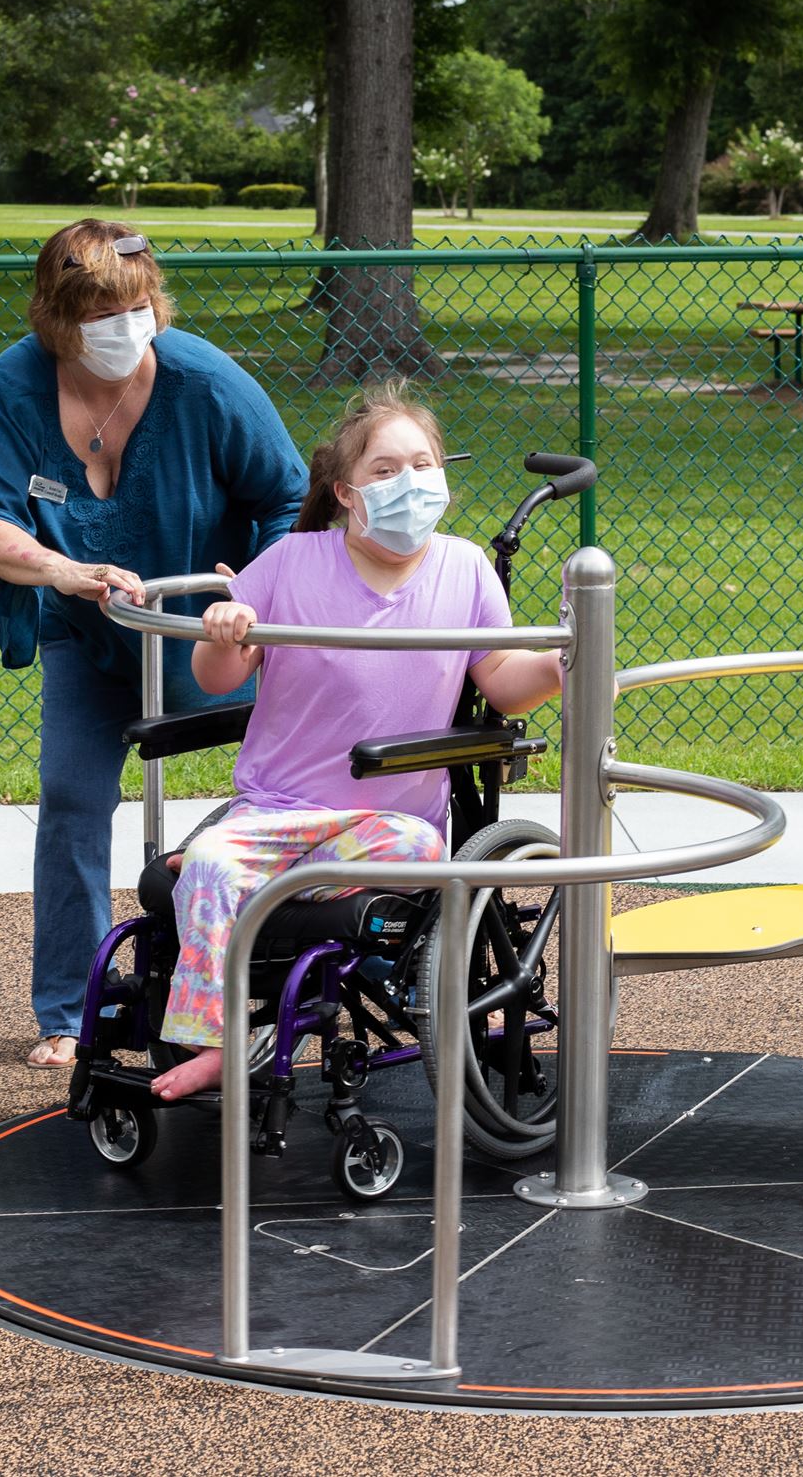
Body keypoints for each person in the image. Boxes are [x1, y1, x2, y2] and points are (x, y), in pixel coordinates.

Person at [145, 388, 565, 1102]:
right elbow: (217, 676)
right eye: (385, 469)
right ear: (345, 492)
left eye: (422, 464)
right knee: (214, 863)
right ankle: (216, 1041)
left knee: (428, 857)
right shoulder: (289, 561)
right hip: (279, 806)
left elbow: (501, 682)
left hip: (387, 831)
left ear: (444, 479)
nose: (409, 481)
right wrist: (226, 626)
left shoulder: (464, 570)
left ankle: (251, 865)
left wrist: (562, 666)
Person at [0, 220, 307, 1070]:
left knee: (289, 787)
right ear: (55, 316)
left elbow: (290, 494)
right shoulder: (15, 387)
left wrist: (251, 590)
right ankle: (70, 1008)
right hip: (94, 631)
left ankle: (276, 968)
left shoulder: (205, 381)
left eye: (138, 306)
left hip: (209, 634)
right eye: (102, 313)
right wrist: (64, 570)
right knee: (71, 798)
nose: (125, 325)